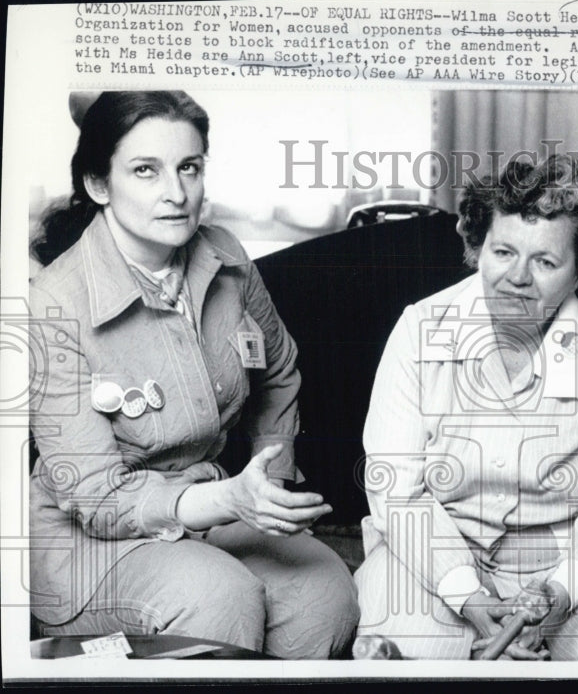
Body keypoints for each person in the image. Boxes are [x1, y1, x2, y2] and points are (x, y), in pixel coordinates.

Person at [29, 91, 359, 658]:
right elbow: (97, 497)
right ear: (99, 184)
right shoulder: (51, 303)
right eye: (145, 170)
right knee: (219, 596)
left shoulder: (226, 256)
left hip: (213, 504)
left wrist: (268, 484)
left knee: (325, 592)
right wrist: (231, 499)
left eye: (189, 167)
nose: (177, 193)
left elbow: (278, 370)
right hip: (91, 541)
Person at [355, 154, 578, 660]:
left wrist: (559, 593)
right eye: (503, 251)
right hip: (435, 557)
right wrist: (466, 593)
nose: (517, 278)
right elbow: (395, 490)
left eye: (545, 262)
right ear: (477, 248)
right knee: (401, 640)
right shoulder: (419, 329)